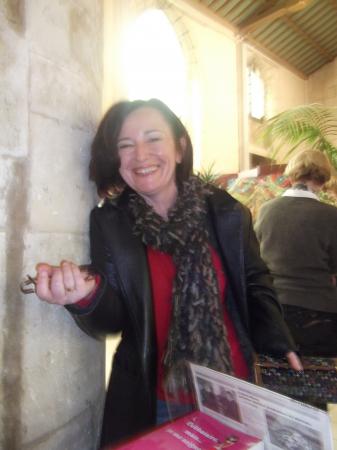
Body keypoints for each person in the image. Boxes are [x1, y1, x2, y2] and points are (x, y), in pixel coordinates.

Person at [33, 98, 300, 448]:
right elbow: (113, 319)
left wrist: (277, 339)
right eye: (125, 145)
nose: (140, 154)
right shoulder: (110, 222)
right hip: (156, 398)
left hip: (235, 391)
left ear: (179, 148)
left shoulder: (225, 211)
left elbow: (254, 281)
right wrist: (85, 298)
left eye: (153, 138)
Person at [255, 149, 337, 357]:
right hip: (320, 316)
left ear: (292, 174)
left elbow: (254, 259)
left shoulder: (267, 210)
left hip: (274, 313)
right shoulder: (331, 216)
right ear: (324, 178)